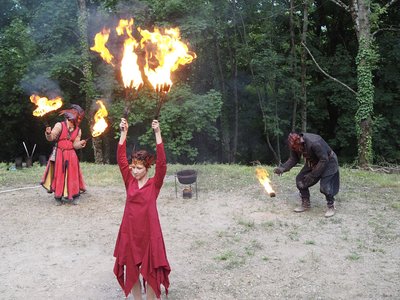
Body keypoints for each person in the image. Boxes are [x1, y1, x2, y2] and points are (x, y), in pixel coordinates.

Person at [113, 118, 170, 300]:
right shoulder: (129, 180)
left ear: (146, 167)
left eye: (138, 168)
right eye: (132, 167)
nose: (134, 171)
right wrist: (123, 133)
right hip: (129, 232)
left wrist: (158, 133)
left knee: (151, 270)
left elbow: (162, 164)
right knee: (132, 269)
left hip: (149, 234)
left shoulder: (154, 185)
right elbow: (121, 158)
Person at [274, 132, 339, 217]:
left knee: (324, 187)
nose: (296, 150)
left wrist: (312, 175)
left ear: (300, 142)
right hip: (314, 161)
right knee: (300, 181)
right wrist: (283, 168)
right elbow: (294, 159)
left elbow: (324, 160)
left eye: (297, 148)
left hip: (329, 161)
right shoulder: (294, 145)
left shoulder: (314, 142)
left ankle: (331, 205)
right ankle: (306, 204)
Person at [41, 104, 87, 205]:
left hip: (71, 155)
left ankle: (75, 195)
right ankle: (58, 196)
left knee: (73, 175)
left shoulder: (78, 130)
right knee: (59, 174)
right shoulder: (59, 125)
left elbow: (75, 145)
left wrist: (81, 143)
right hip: (60, 154)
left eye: (79, 118)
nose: (78, 120)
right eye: (77, 118)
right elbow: (51, 138)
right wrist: (48, 133)